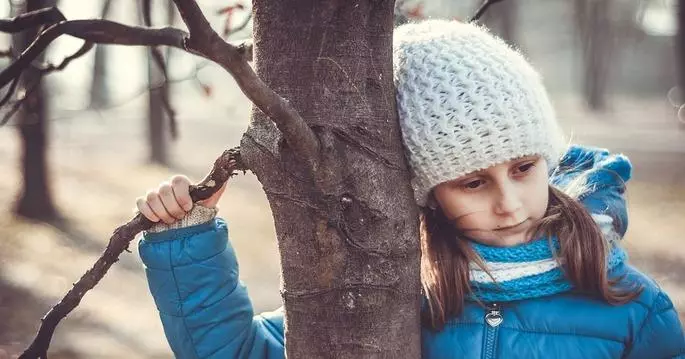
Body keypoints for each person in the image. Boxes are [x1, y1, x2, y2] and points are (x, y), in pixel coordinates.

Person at [136, 20, 685, 358]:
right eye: (473, 182)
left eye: (524, 168)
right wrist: (188, 245)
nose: (510, 204)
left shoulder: (634, 306)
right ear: (426, 193)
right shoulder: (394, 288)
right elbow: (241, 355)